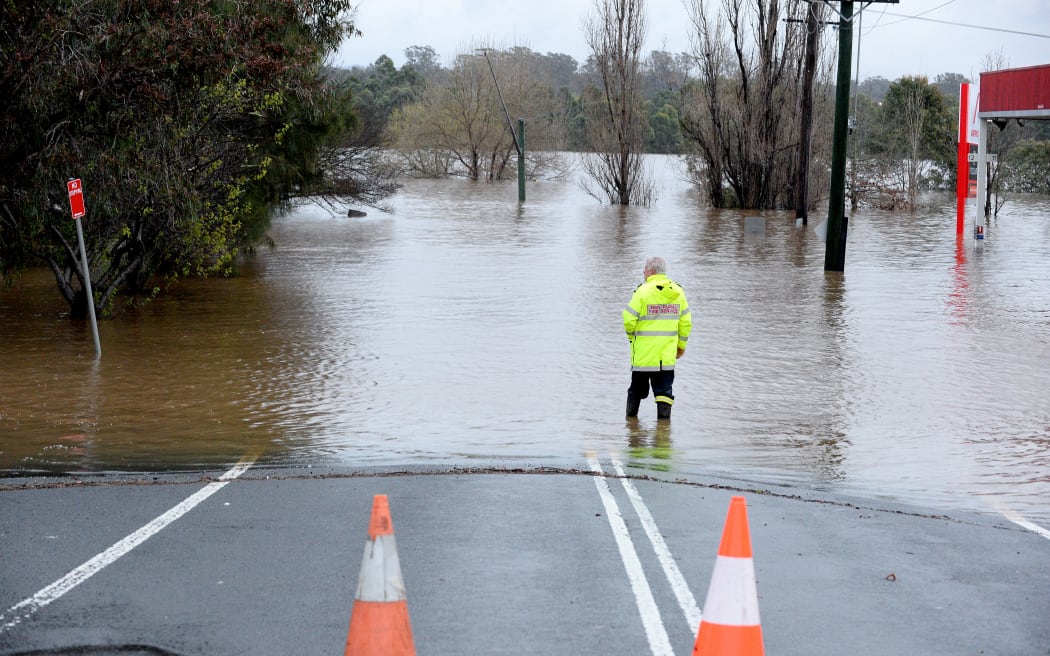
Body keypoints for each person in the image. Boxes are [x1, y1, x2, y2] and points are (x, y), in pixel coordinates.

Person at [622, 256, 692, 419]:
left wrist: (632, 338)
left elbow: (628, 320)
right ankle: (663, 433)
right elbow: (686, 323)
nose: (643, 272)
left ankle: (632, 430)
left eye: (645, 270)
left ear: (652, 271)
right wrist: (681, 346)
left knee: (636, 391)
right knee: (664, 393)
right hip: (666, 357)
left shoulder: (642, 291)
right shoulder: (678, 292)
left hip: (644, 356)